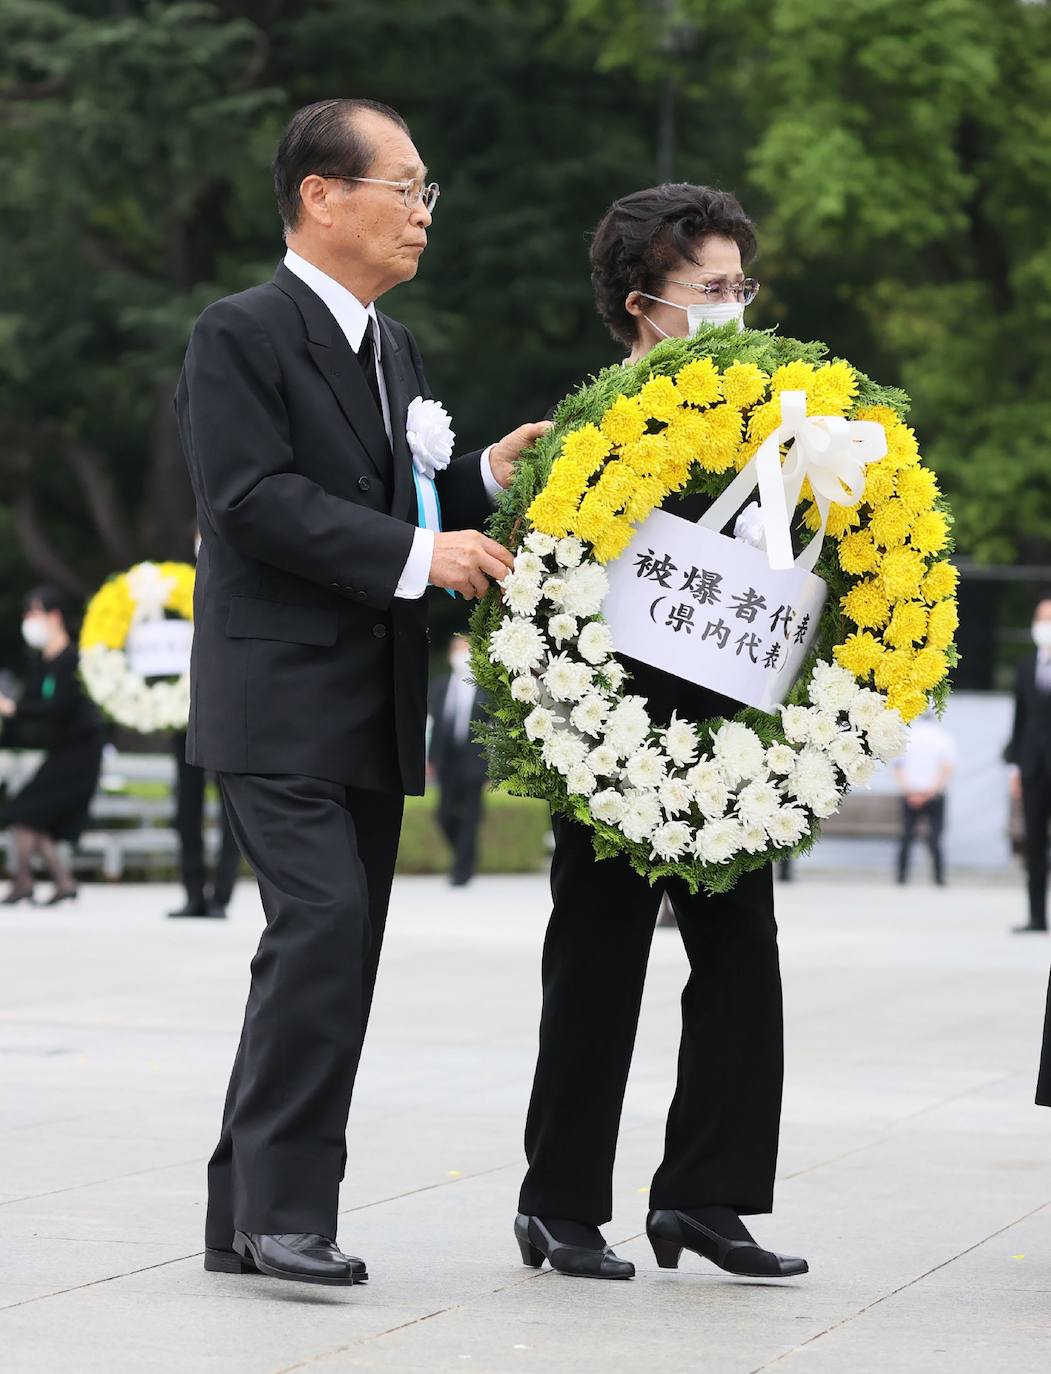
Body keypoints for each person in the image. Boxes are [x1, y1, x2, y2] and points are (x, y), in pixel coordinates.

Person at [176, 97, 548, 1287]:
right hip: (274, 696)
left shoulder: (395, 350)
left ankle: (242, 1217)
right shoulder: (237, 332)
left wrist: (480, 478)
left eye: (427, 192)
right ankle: (289, 1215)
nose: (422, 216)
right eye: (406, 187)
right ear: (320, 196)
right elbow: (252, 499)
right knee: (323, 932)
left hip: (369, 706)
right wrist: (414, 554)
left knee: (329, 948)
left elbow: (402, 505)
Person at [515, 185, 807, 1282]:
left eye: (743, 286)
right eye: (710, 291)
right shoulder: (590, 428)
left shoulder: (774, 419)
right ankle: (558, 1206)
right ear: (642, 304)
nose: (733, 308)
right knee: (597, 957)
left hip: (728, 734)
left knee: (742, 956)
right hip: (610, 735)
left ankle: (707, 1197)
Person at [0, 588, 105, 906]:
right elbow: (31, 703)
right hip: (60, 750)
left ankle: (25, 881)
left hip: (81, 751)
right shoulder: (40, 661)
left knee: (25, 811)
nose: (28, 620)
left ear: (54, 616)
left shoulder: (72, 660)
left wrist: (13, 709)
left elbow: (56, 706)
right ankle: (61, 882)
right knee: (33, 815)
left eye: (34, 613)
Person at [428, 634, 489, 887]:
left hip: (474, 759)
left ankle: (461, 870)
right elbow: (437, 726)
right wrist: (431, 759)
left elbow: (491, 728)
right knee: (443, 814)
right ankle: (466, 857)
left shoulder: (485, 687)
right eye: (457, 649)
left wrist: (491, 767)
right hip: (447, 759)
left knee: (472, 815)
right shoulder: (441, 686)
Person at [1005, 597, 1051, 934]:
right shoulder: (1025, 666)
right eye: (1041, 618)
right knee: (1033, 843)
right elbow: (1019, 721)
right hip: (1034, 768)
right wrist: (1015, 768)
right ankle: (1037, 916)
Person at [168, 729, 242, 919]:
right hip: (185, 720)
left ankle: (221, 896)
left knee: (231, 803)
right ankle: (193, 895)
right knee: (187, 804)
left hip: (227, 722)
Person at [893, 711, 956, 886]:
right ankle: (939, 877)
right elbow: (947, 769)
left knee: (906, 835)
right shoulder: (944, 738)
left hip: (910, 793)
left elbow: (898, 767)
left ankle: (901, 876)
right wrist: (930, 792)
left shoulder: (906, 735)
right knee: (936, 837)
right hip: (934, 794)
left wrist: (909, 792)